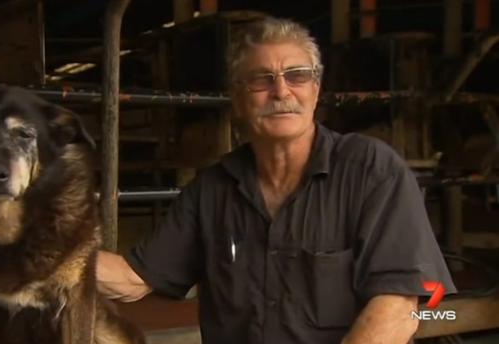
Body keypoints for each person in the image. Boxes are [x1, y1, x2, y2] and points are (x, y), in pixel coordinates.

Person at [96, 16, 456, 344]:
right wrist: (48, 246)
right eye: (261, 80)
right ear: (238, 100)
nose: (281, 92)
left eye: (297, 76)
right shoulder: (212, 189)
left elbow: (397, 307)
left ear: (316, 90)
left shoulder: (371, 170)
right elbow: (132, 279)